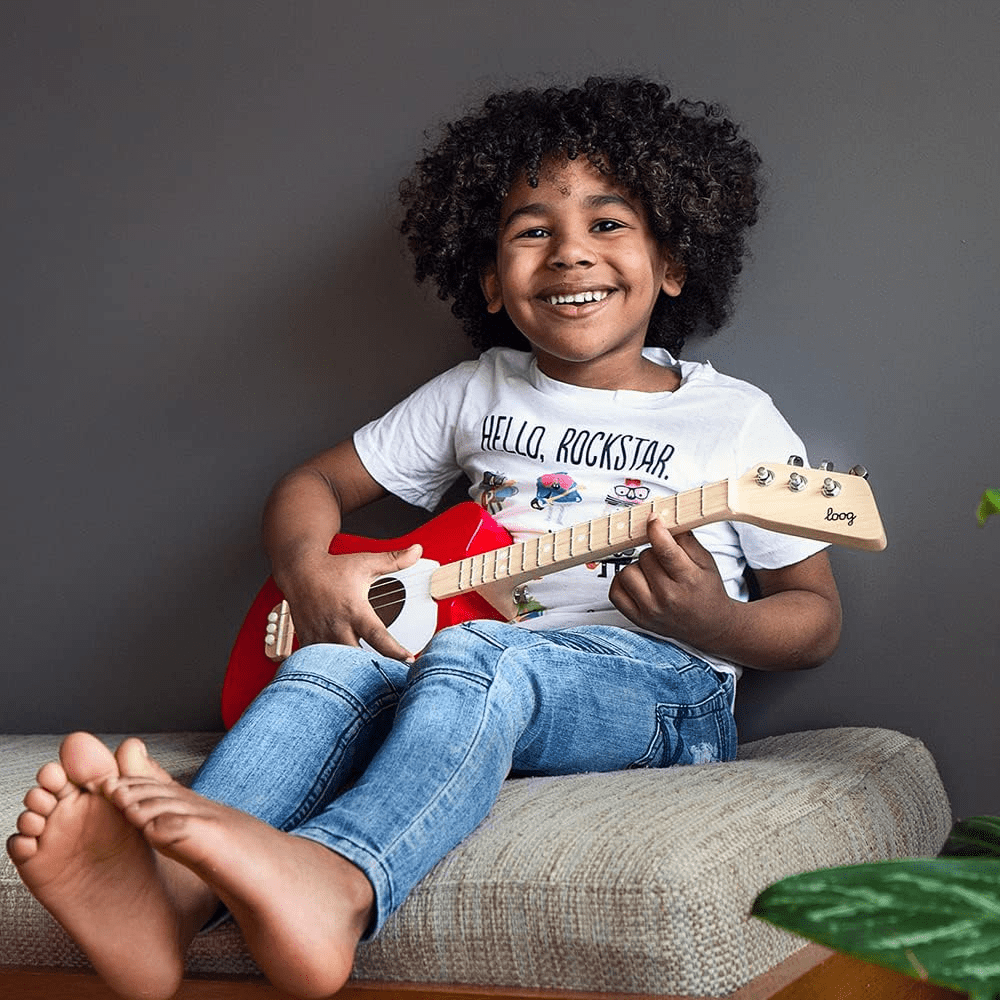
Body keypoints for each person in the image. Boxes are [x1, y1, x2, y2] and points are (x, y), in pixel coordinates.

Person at [7, 77, 842, 1000]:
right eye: (532, 231)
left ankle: (339, 882)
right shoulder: (477, 390)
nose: (570, 251)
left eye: (608, 224)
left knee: (482, 654)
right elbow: (312, 486)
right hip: (469, 659)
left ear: (674, 262)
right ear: (488, 278)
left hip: (666, 692)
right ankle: (163, 896)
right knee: (333, 664)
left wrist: (715, 621)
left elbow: (814, 619)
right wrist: (309, 569)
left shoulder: (734, 422)